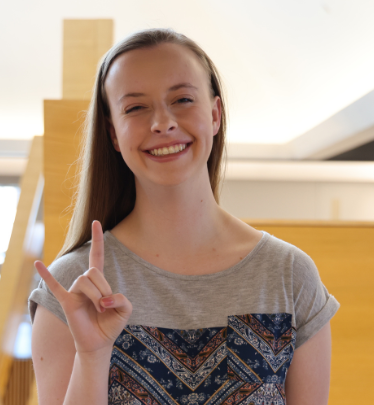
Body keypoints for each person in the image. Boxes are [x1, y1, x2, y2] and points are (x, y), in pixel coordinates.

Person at [28, 28, 339, 405]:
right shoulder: (73, 290)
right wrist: (92, 358)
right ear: (113, 134)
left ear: (214, 114)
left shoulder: (289, 277)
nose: (162, 122)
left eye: (182, 99)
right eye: (136, 107)